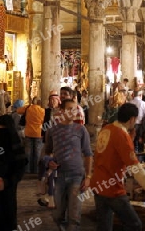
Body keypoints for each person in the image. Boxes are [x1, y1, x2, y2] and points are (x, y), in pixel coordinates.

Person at [90, 103, 145, 231]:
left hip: (98, 184)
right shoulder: (122, 135)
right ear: (132, 119)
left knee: (104, 226)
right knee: (134, 224)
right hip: (112, 188)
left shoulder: (107, 129)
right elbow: (135, 168)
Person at [45, 98, 93, 230]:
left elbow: (88, 154)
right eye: (69, 109)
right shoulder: (53, 130)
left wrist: (88, 176)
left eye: (75, 109)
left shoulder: (81, 130)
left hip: (76, 175)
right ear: (61, 110)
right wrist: (49, 162)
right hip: (58, 176)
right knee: (57, 214)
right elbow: (46, 153)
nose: (73, 112)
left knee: (74, 215)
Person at [37, 90, 61, 207]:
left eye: (54, 99)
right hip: (48, 142)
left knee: (52, 171)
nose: (52, 102)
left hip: (56, 145)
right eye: (50, 100)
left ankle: (50, 196)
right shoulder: (46, 111)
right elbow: (44, 124)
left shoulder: (61, 113)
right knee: (45, 166)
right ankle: (47, 194)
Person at [17, 96, 45, 174]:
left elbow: (18, 110)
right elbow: (43, 121)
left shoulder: (28, 108)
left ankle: (27, 170)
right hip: (38, 133)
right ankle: (36, 170)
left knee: (28, 153)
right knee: (37, 153)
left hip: (28, 132)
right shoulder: (42, 110)